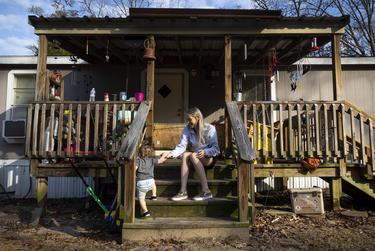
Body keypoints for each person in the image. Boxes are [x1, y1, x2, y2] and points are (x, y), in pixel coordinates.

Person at [161, 107, 220, 201]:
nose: (188, 122)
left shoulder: (210, 128)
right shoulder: (187, 129)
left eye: (190, 119)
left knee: (193, 155)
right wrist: (170, 154)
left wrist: (206, 152)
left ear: (197, 118)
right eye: (187, 120)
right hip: (195, 157)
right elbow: (181, 146)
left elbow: (216, 149)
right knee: (185, 155)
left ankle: (206, 191)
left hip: (208, 158)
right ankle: (183, 191)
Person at [136, 143, 168, 218]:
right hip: (150, 181)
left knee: (141, 198)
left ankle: (145, 211)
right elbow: (161, 161)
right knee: (154, 184)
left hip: (141, 183)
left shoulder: (138, 161)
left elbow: (134, 168)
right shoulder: (152, 160)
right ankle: (154, 195)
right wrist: (164, 155)